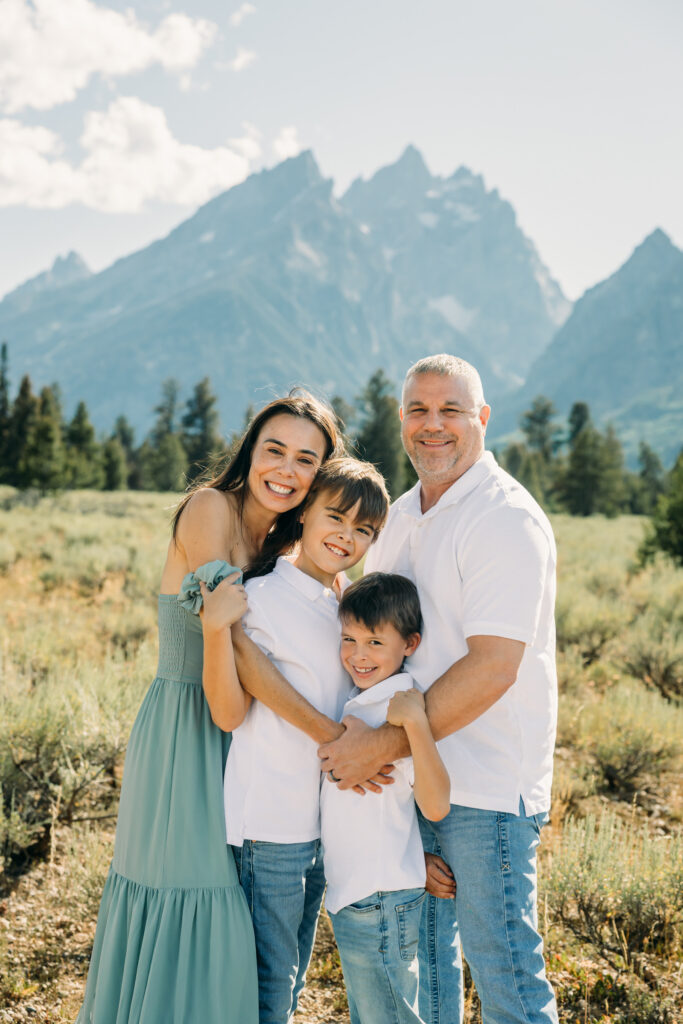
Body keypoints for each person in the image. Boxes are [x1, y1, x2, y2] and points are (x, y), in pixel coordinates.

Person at [77, 392, 340, 1024]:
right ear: (249, 451)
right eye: (273, 449)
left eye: (307, 459)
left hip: (247, 737)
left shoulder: (287, 546)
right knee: (190, 899)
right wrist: (333, 736)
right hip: (185, 732)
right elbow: (236, 652)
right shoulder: (207, 509)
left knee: (237, 917)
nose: (286, 468)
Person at [319, 354, 560, 1024]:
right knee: (427, 969)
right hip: (412, 787)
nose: (433, 425)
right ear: (401, 420)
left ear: (480, 419)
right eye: (417, 411)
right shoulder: (396, 517)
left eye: (450, 410)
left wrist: (382, 747)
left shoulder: (502, 518)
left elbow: (492, 665)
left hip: (483, 786)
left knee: (505, 974)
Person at [224, 457, 390, 1024]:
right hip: (269, 820)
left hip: (321, 822)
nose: (346, 536)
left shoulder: (345, 604)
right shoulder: (264, 594)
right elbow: (252, 679)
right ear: (304, 513)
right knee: (270, 977)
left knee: (292, 971)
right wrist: (340, 741)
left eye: (363, 530)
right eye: (335, 517)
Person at [321, 572, 451, 1024]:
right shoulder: (361, 698)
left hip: (378, 898)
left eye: (376, 643)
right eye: (350, 639)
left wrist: (415, 725)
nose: (359, 655)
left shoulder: (400, 704)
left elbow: (435, 804)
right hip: (354, 895)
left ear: (409, 644)